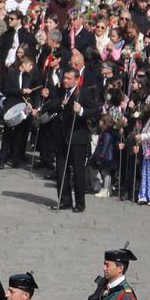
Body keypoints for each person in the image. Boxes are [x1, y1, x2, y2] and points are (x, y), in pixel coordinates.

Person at [50, 67, 100, 213]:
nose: (65, 81)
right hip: (62, 136)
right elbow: (52, 105)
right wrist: (61, 104)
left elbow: (95, 110)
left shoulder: (83, 92)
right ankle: (64, 200)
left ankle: (80, 203)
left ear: (77, 80)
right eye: (64, 78)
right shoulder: (60, 91)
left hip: (78, 137)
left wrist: (82, 111)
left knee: (78, 172)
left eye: (68, 79)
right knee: (61, 170)